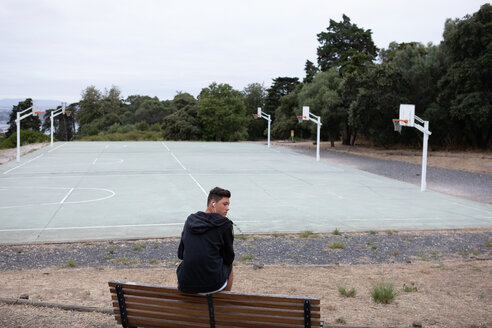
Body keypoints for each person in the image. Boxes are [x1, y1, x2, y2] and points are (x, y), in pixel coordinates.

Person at [176, 187, 235, 294]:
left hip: (186, 283)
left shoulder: (190, 220)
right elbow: (229, 258)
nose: (228, 208)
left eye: (228, 204)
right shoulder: (225, 224)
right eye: (225, 204)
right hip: (213, 285)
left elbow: (181, 254)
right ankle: (224, 301)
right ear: (213, 203)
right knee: (230, 266)